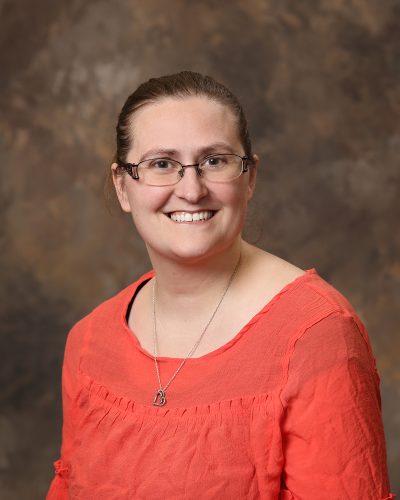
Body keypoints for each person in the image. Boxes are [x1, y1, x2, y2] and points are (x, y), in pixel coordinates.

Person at [47, 71, 394, 499]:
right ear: (123, 186)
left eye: (214, 161)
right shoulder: (88, 343)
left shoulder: (316, 336)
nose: (191, 190)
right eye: (161, 164)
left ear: (249, 178)